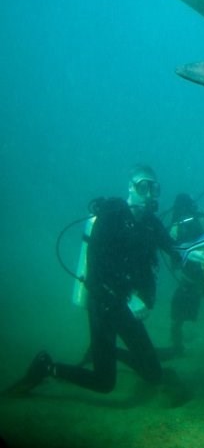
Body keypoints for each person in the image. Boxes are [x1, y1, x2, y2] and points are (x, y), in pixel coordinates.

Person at [5, 165, 183, 398]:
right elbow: (96, 274)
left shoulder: (150, 223)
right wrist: (130, 298)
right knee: (103, 383)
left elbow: (173, 248)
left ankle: (110, 352)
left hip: (130, 308)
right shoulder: (110, 217)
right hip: (105, 305)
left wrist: (201, 252)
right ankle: (46, 368)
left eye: (154, 188)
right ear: (131, 187)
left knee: (153, 374)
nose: (149, 194)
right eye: (143, 186)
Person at [165, 192, 204, 356]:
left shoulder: (178, 223)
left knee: (179, 314)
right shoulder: (200, 217)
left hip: (190, 276)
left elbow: (172, 251)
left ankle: (177, 341)